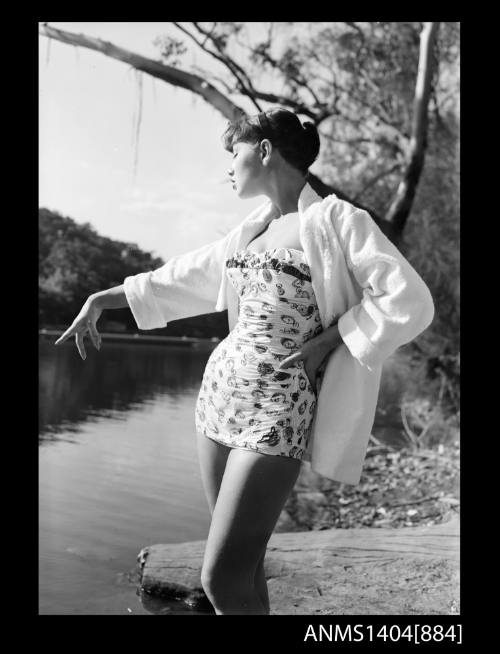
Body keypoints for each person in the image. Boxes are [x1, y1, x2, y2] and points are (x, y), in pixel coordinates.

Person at [55, 107, 435, 615]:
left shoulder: (335, 221)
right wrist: (103, 298)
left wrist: (331, 340)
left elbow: (409, 298)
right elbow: (180, 277)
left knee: (219, 578)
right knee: (246, 568)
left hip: (280, 407)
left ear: (264, 150)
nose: (228, 167)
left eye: (233, 153)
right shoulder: (250, 231)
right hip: (220, 398)